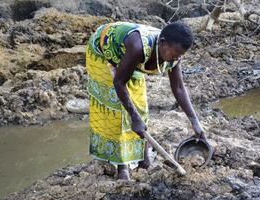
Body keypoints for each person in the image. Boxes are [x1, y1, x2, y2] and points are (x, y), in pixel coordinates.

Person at [86, 21, 206, 180]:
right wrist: (134, 118)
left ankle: (144, 159)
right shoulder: (138, 47)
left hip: (129, 58)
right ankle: (122, 166)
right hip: (104, 51)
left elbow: (178, 88)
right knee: (117, 110)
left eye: (180, 55)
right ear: (162, 43)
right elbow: (119, 83)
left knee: (140, 107)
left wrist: (195, 122)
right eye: (174, 54)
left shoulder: (174, 55)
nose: (175, 58)